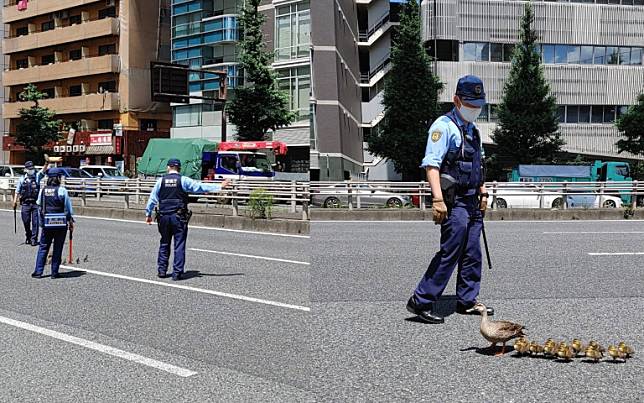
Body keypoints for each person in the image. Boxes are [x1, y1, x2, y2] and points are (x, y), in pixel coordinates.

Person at [406, 75, 494, 324]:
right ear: (457, 100)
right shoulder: (442, 127)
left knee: (472, 252)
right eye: (471, 104)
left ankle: (466, 300)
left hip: (473, 200)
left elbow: (479, 165)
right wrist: (437, 200)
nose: (475, 109)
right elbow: (431, 165)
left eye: (479, 105)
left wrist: (483, 191)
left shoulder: (473, 130)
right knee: (450, 252)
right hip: (453, 202)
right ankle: (420, 301)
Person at [145, 158, 231, 280]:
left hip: (163, 216)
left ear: (168, 167)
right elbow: (200, 187)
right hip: (178, 217)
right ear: (179, 168)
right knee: (179, 244)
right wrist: (219, 186)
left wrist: (148, 214)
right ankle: (177, 273)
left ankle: (162, 271)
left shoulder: (160, 181)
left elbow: (152, 199)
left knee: (164, 242)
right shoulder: (183, 180)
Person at [32, 168, 75, 279]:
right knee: (58, 247)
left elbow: (39, 205)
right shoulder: (62, 190)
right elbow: (68, 209)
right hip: (60, 223)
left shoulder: (43, 191)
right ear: (58, 178)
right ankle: (54, 272)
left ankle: (38, 272)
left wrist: (41, 221)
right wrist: (70, 221)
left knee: (43, 247)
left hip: (47, 223)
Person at [13, 161, 45, 246]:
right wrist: (14, 201)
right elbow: (17, 191)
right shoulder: (22, 179)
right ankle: (28, 234)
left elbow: (43, 171)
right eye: (30, 169)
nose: (32, 170)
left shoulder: (37, 177)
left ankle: (34, 239)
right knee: (26, 221)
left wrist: (46, 163)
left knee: (36, 222)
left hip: (35, 204)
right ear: (26, 169)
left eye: (32, 169)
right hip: (25, 204)